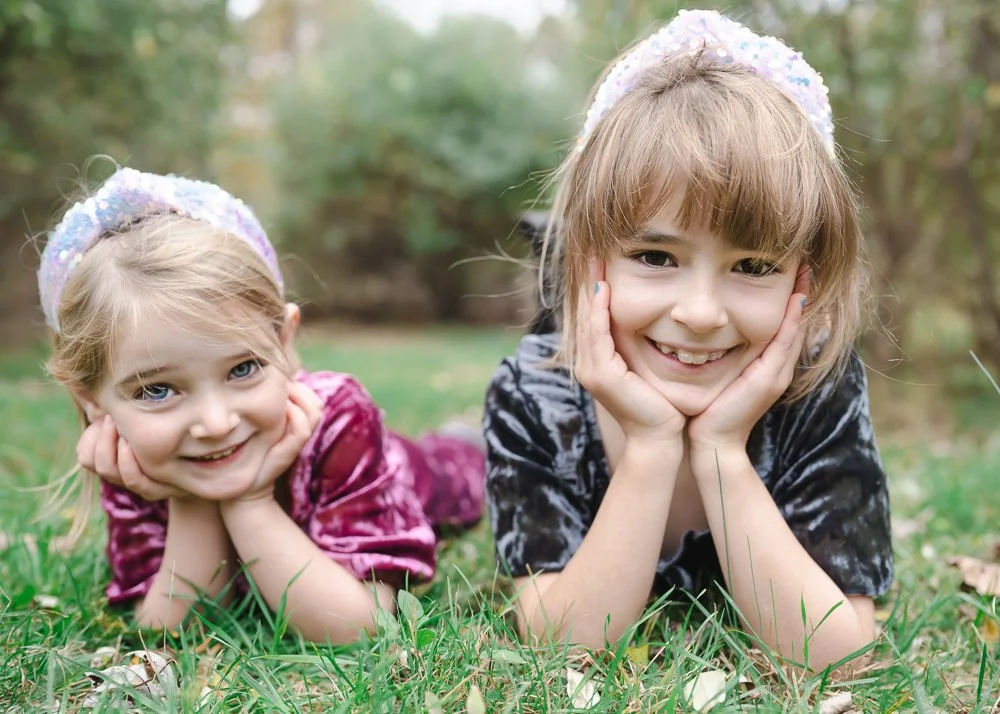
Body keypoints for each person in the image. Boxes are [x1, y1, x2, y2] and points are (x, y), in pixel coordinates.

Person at [483, 10, 892, 671]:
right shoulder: (534, 399)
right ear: (590, 255)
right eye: (655, 256)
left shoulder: (818, 387)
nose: (700, 313)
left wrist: (723, 451)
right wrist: (649, 447)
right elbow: (568, 648)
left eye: (753, 266)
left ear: (804, 282)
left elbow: (839, 656)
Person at [39, 167, 485, 644]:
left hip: (430, 477)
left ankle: (469, 438)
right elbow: (170, 631)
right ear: (93, 401)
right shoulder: (132, 455)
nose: (214, 424)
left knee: (467, 470)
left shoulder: (338, 416)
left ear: (285, 341)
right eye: (156, 391)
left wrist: (249, 502)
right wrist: (190, 501)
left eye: (243, 368)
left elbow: (361, 626)